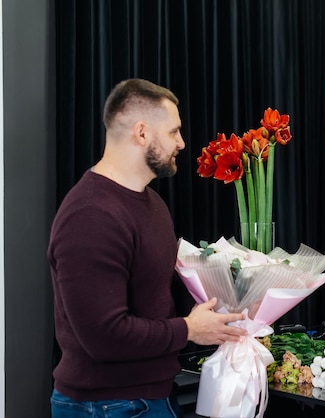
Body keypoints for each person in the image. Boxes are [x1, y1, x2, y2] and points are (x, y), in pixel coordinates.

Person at [48, 78, 247, 418]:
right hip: (106, 406)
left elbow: (157, 295)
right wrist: (189, 329)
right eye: (173, 132)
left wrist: (235, 298)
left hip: (149, 398)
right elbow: (104, 336)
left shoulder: (151, 203)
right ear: (141, 133)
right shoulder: (90, 216)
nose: (182, 143)